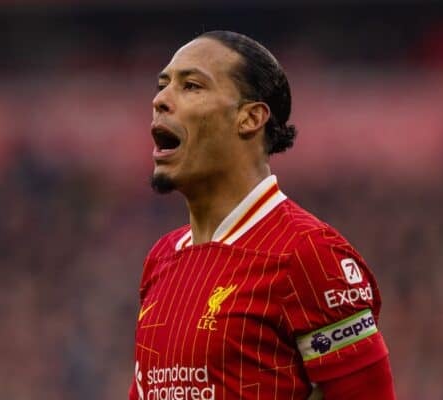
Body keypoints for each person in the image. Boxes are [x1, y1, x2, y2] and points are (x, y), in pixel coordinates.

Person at [129, 30, 396, 400]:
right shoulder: (162, 258)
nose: (160, 100)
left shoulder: (307, 254)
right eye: (163, 85)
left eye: (191, 86)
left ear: (249, 117)